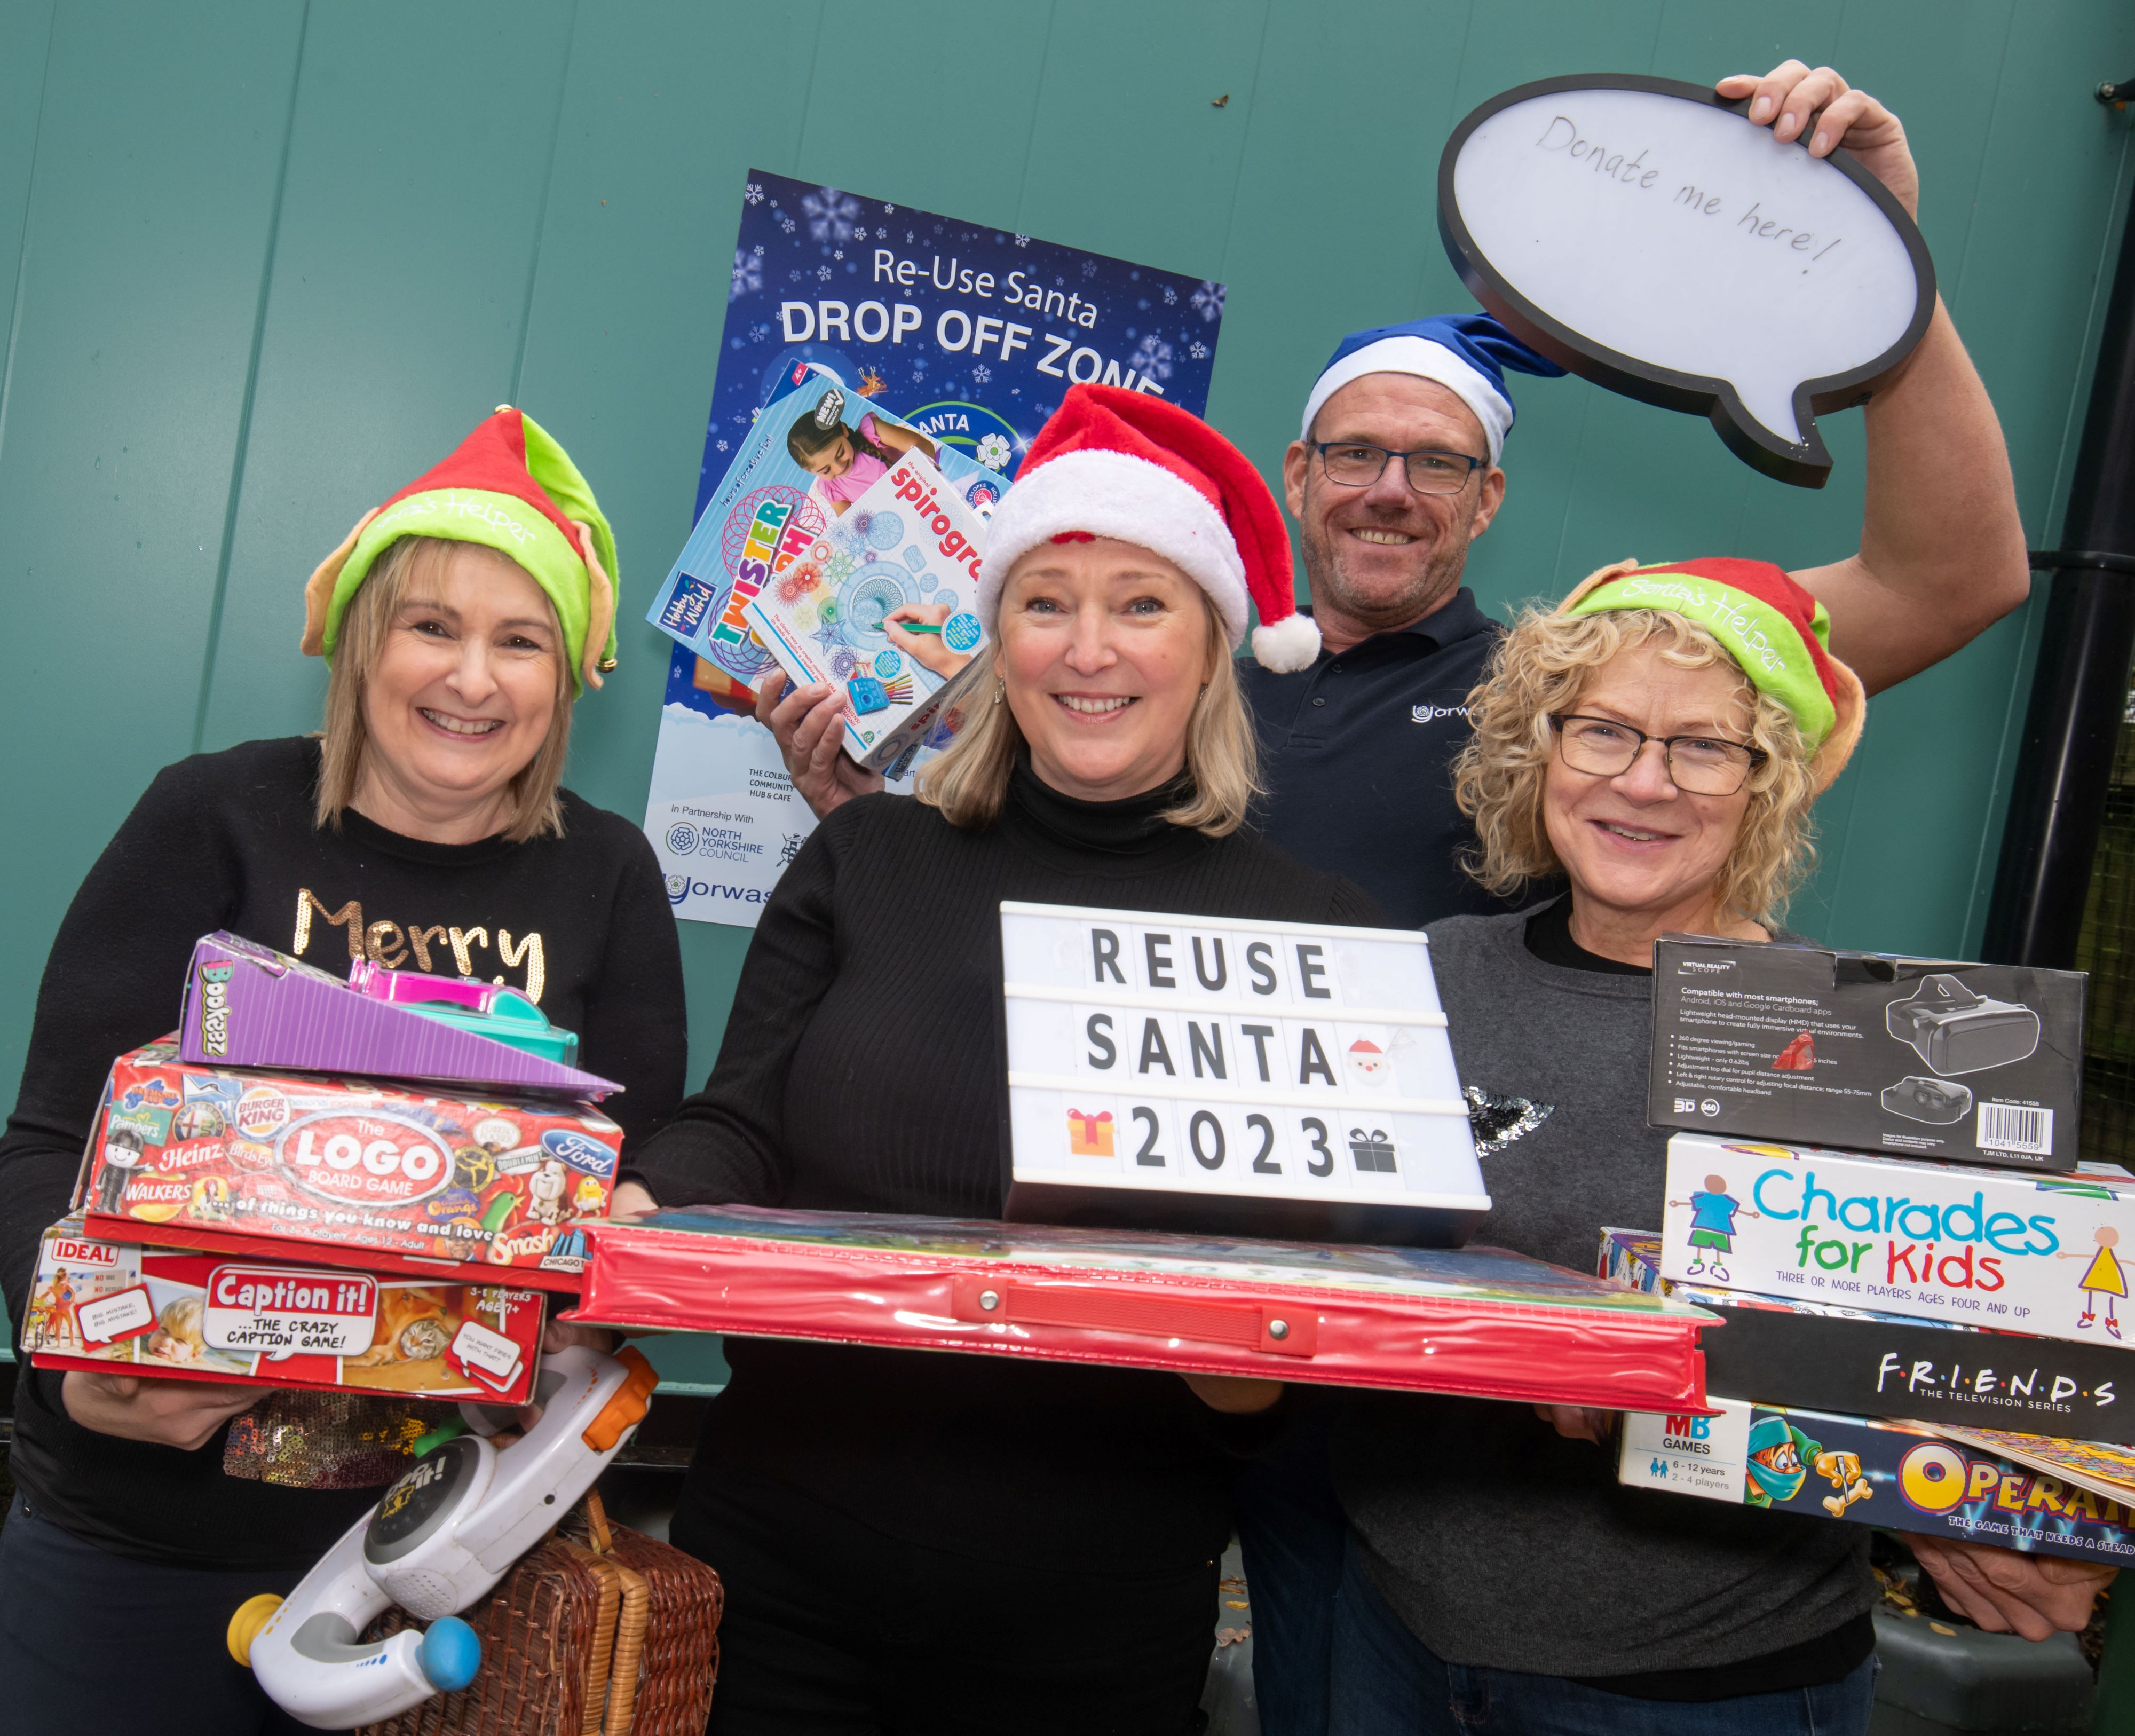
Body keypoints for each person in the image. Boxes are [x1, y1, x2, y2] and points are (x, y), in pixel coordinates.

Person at [616, 384, 1356, 1735]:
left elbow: (1281, 1341)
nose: (1089, 647)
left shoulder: (1307, 933)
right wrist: (632, 1207)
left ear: (1211, 646)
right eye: (1045, 600)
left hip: (1095, 1606)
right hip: (777, 1562)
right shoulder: (867, 856)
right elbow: (741, 1125)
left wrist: (1257, 1333)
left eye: (1141, 602)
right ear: (993, 637)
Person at [1326, 557, 2113, 1735]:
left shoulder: (1859, 1045)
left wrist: (2040, 1504)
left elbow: (1982, 1344)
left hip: (1704, 1687)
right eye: (1602, 730)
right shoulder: (1426, 980)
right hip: (1391, 1635)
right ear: (1537, 749)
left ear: (1768, 787)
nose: (1642, 782)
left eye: (1703, 747)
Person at [0, 408, 689, 1733]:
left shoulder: (605, 875)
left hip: (440, 1565)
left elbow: (640, 1185)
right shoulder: (211, 813)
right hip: (138, 1537)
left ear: (566, 675)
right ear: (363, 641)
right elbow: (40, 1143)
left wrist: (622, 1257)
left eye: (519, 638)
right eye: (432, 625)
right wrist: (81, 1345)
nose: (472, 678)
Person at [786, 387, 938, 516]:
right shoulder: (831, 488)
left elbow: (926, 448)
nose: (839, 467)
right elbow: (852, 529)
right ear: (810, 472)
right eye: (826, 470)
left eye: (840, 453)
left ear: (844, 431)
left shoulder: (872, 433)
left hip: (931, 494)